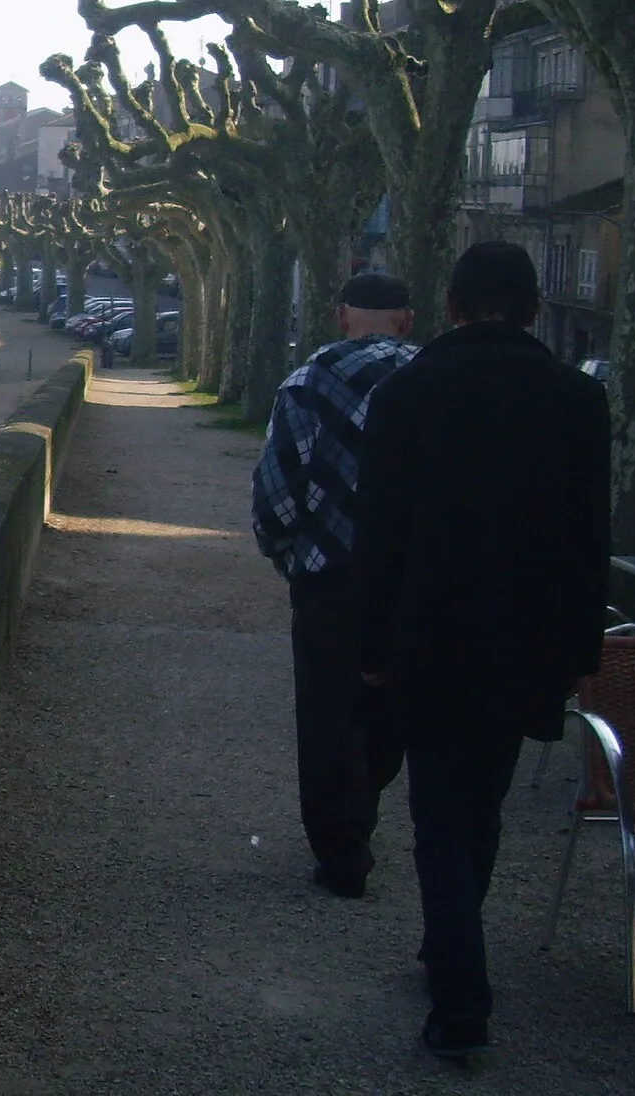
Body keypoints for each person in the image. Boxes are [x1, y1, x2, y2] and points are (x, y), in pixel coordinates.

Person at [355, 241, 610, 1060]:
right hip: (527, 644)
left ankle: (461, 998)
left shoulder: (406, 393)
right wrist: (579, 650)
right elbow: (588, 542)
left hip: (429, 638)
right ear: (534, 310)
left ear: (454, 307)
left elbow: (378, 538)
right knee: (482, 808)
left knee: (437, 817)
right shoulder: (577, 399)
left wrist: (370, 642)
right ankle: (449, 950)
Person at [252, 271, 417, 899]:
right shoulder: (431, 381)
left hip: (331, 579)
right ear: (407, 319)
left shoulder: (308, 382)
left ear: (339, 315)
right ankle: (363, 801)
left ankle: (343, 849)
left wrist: (289, 556)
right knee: (389, 709)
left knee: (328, 713)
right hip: (411, 581)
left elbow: (276, 492)